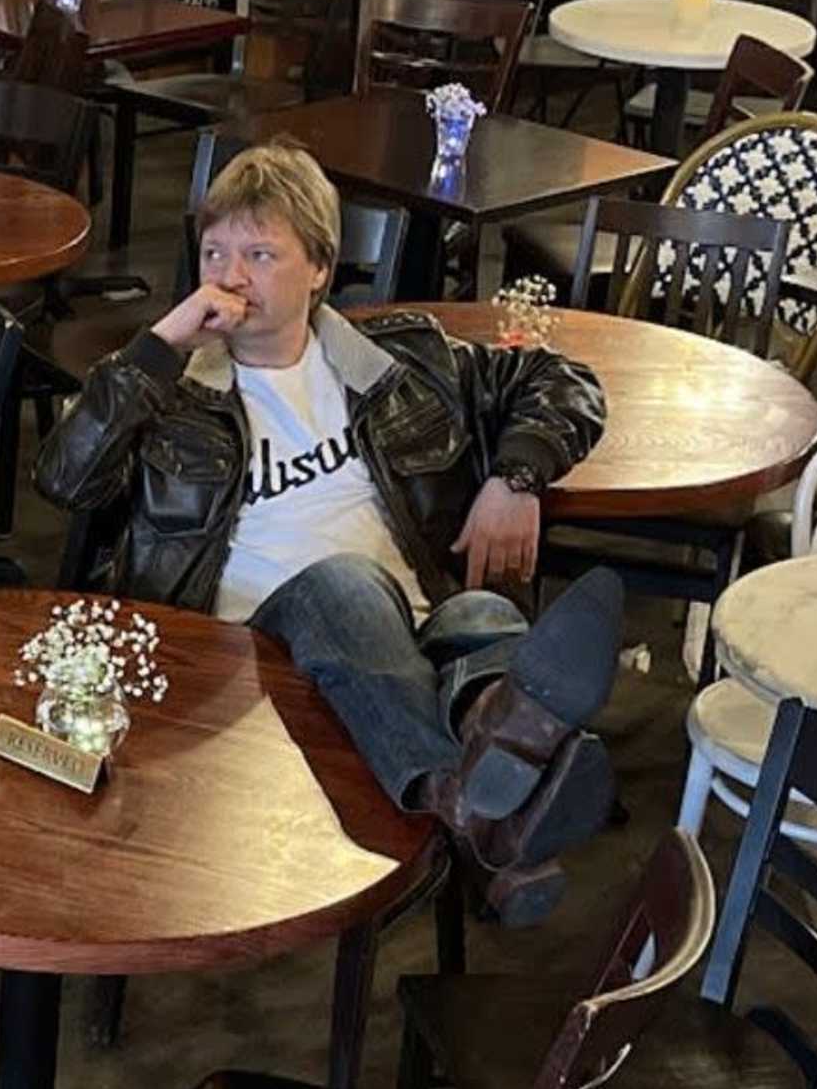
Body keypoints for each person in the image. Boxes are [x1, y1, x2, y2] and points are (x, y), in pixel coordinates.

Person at [34, 141, 629, 915]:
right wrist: (163, 342)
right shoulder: (169, 390)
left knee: (481, 615)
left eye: (259, 252)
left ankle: (491, 812)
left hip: (410, 628)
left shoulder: (399, 361)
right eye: (215, 251)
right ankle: (476, 803)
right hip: (247, 641)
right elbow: (65, 477)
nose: (231, 275)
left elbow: (564, 381)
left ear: (319, 267)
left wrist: (515, 479)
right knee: (347, 585)